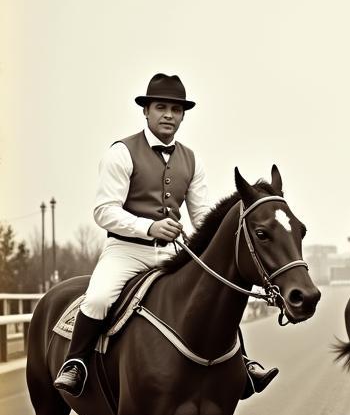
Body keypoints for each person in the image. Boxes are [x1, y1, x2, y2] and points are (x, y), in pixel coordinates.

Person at [54, 73, 277, 398]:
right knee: (100, 297)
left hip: (174, 252)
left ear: (183, 115)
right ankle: (75, 364)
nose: (169, 115)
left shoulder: (192, 159)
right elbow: (104, 211)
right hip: (126, 251)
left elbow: (202, 217)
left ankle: (241, 362)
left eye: (176, 109)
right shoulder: (121, 152)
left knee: (214, 296)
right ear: (146, 111)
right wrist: (149, 227)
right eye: (161, 107)